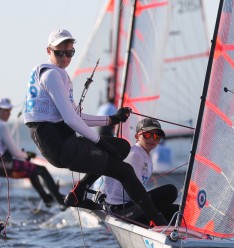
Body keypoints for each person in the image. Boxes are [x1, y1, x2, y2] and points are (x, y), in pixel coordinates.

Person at [23, 29, 167, 226]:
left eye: (69, 52)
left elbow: (77, 116)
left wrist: (112, 120)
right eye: (59, 53)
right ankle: (156, 221)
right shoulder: (51, 76)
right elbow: (72, 120)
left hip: (64, 142)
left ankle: (78, 192)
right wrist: (100, 142)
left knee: (122, 147)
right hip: (60, 147)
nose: (65, 57)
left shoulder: (55, 75)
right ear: (49, 51)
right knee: (123, 171)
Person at [0, 97, 66, 207]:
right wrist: (28, 155)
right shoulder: (1, 126)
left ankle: (47, 199)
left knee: (32, 171)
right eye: (6, 110)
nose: (8, 113)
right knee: (42, 170)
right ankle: (61, 201)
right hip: (1, 165)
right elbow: (16, 153)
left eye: (10, 110)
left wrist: (21, 155)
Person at [100, 118, 179, 225]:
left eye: (156, 136)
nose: (152, 139)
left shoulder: (143, 154)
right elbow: (136, 192)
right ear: (137, 136)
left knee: (178, 211)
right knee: (171, 191)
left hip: (129, 207)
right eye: (147, 135)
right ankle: (154, 225)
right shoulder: (135, 155)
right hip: (120, 210)